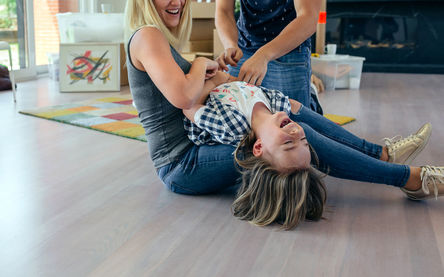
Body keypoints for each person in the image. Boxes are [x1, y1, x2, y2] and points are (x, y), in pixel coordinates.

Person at [124, 0, 444, 229]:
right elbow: (184, 97)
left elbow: (190, 94)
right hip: (182, 164)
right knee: (290, 137)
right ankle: (409, 178)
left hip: (196, 150)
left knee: (291, 116)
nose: (178, 3)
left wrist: (211, 73)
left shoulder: (155, 37)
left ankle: (382, 155)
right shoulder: (148, 35)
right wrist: (198, 64)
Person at [182, 70, 443, 229]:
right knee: (296, 116)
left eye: (289, 143)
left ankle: (384, 156)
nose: (297, 134)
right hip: (220, 95)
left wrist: (207, 71)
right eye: (302, 142)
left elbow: (189, 103)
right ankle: (400, 170)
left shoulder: (233, 125)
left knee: (296, 113)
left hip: (216, 85)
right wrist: (216, 74)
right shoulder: (265, 115)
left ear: (258, 147)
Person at [215, 0, 321, 112]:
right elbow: (224, 10)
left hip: (289, 47)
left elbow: (308, 17)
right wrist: (230, 45)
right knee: (236, 112)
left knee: (293, 119)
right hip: (244, 46)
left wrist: (263, 55)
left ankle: (312, 102)